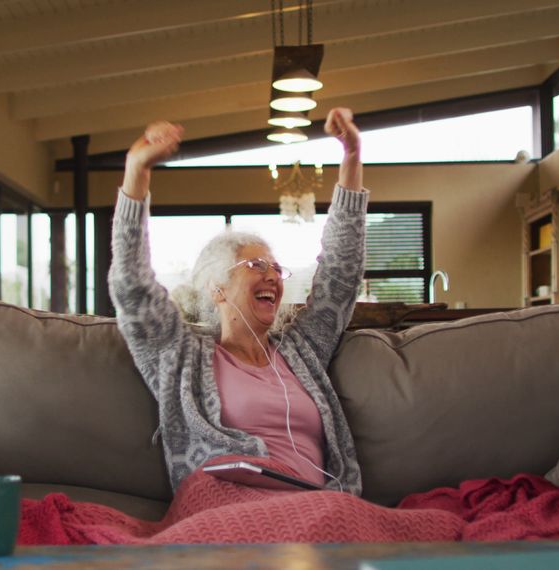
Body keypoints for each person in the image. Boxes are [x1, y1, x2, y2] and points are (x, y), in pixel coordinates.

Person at [108, 108, 368, 495]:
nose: (272, 276)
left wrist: (351, 156)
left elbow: (340, 277)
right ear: (217, 288)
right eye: (256, 265)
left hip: (314, 506)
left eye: (278, 269)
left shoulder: (302, 351)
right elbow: (132, 284)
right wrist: (136, 172)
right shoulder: (181, 358)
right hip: (225, 503)